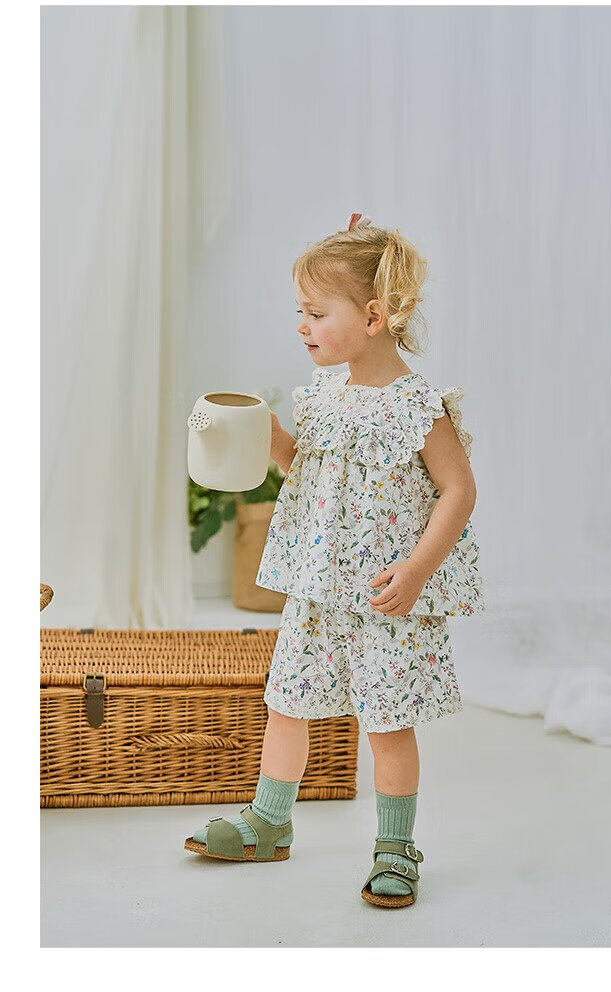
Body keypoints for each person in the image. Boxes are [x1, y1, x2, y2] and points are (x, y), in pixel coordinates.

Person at [184, 213, 485, 909]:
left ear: (374, 317)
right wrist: (273, 442)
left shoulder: (417, 406)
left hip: (384, 597)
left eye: (317, 313)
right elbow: (314, 476)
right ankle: (269, 821)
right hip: (318, 590)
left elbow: (459, 489)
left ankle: (396, 846)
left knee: (387, 721)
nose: (302, 326)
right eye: (301, 312)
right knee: (286, 702)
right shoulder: (321, 396)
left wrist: (417, 570)